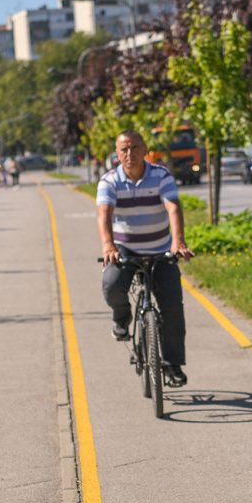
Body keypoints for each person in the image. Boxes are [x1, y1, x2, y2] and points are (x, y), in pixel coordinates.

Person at [97, 130, 193, 387]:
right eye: (124, 149)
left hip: (160, 248)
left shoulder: (161, 175)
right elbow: (104, 213)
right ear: (117, 154)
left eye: (135, 148)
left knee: (173, 305)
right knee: (111, 283)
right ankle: (122, 318)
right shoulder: (109, 181)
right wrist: (108, 245)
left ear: (145, 149)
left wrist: (178, 242)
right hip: (125, 249)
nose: (130, 154)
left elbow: (172, 206)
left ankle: (172, 365)